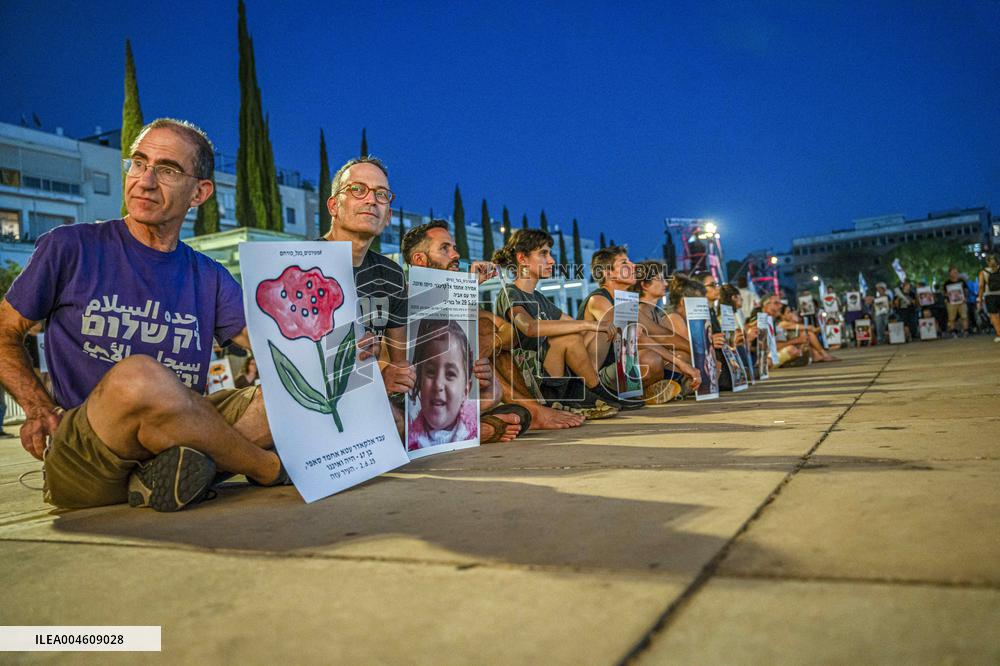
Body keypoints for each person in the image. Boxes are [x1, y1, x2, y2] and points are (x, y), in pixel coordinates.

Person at [0, 118, 286, 512]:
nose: (145, 180)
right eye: (138, 162)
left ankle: (169, 474)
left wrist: (348, 361)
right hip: (88, 448)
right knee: (140, 376)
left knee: (291, 398)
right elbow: (5, 331)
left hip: (179, 430)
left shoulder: (210, 277)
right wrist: (37, 407)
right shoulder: (70, 247)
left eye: (167, 170)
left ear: (199, 192)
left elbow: (276, 347)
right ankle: (266, 468)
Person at [399, 219, 531, 440]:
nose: (456, 254)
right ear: (420, 259)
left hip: (454, 397)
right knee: (483, 330)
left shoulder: (461, 298)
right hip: (412, 399)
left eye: (454, 247)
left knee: (520, 414)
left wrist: (469, 287)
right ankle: (478, 428)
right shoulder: (403, 298)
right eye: (445, 248)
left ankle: (463, 426)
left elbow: (510, 333)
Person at [492, 229, 619, 416]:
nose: (551, 260)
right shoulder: (510, 293)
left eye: (550, 254)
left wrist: (598, 325)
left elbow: (572, 323)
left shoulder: (540, 298)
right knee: (570, 337)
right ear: (522, 259)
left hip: (552, 376)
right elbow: (529, 327)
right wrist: (588, 324)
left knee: (586, 331)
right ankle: (595, 392)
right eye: (543, 254)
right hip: (530, 380)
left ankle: (585, 391)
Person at [577, 246, 645, 409]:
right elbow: (618, 329)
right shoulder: (598, 299)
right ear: (608, 273)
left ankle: (636, 391)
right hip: (591, 371)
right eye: (624, 263)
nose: (633, 266)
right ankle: (590, 390)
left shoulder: (626, 301)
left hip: (613, 366)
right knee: (606, 327)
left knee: (652, 356)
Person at [629, 261, 701, 403]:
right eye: (660, 279)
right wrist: (701, 355)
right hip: (645, 366)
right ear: (644, 285)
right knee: (671, 356)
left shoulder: (655, 312)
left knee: (684, 355)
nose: (666, 284)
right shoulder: (639, 309)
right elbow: (664, 338)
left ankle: (675, 387)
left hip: (660, 365)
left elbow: (668, 340)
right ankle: (658, 389)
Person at [406, 319, 478, 450]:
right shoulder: (405, 432)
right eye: (430, 372)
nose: (438, 384)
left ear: (466, 391)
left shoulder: (477, 428)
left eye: (450, 374)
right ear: (419, 381)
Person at [977, 254, 1000, 342]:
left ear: (987, 262)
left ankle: (999, 334)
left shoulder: (983, 272)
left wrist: (980, 299)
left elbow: (981, 286)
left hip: (990, 296)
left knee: (994, 315)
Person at [942, 266, 970, 337]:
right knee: (951, 318)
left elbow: (966, 290)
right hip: (951, 302)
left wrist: (965, 297)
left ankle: (965, 331)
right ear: (950, 273)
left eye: (956, 272)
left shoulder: (962, 281)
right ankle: (953, 331)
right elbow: (944, 292)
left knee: (964, 316)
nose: (955, 273)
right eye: (953, 272)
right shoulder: (947, 283)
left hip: (962, 302)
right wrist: (948, 294)